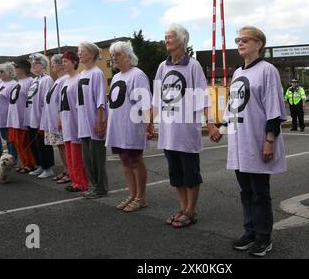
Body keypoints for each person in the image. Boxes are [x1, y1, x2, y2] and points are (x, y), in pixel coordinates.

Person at [216, 26, 286, 257]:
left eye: (245, 39)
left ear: (259, 44)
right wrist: (222, 128)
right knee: (245, 191)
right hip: (239, 142)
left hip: (257, 140)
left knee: (259, 192)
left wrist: (269, 140)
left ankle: (264, 237)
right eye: (238, 40)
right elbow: (233, 108)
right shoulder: (237, 73)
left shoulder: (268, 71)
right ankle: (250, 232)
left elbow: (274, 109)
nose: (240, 43)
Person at [150, 24, 219, 228]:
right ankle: (182, 207)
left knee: (190, 173)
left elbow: (203, 96)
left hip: (186, 130)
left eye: (170, 37)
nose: (166, 40)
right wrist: (148, 121)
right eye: (166, 37)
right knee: (175, 174)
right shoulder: (163, 67)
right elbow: (156, 97)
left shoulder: (193, 66)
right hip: (168, 129)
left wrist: (211, 123)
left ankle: (191, 210)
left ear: (181, 40)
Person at [106, 41, 151, 212]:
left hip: (132, 125)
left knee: (135, 160)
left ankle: (141, 197)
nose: (114, 58)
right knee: (124, 160)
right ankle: (132, 194)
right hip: (117, 126)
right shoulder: (117, 77)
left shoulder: (137, 75)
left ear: (128, 56)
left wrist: (148, 124)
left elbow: (145, 101)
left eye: (118, 55)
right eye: (112, 55)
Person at [77, 42, 108, 199]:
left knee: (96, 156)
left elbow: (101, 99)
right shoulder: (82, 74)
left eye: (83, 51)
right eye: (79, 51)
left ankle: (100, 187)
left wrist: (100, 121)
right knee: (87, 157)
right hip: (83, 122)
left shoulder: (97, 73)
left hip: (93, 121)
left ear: (91, 54)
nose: (80, 53)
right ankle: (93, 184)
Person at [59, 51, 90, 193]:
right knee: (70, 155)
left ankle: (82, 182)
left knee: (77, 155)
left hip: (75, 120)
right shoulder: (64, 81)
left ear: (74, 62)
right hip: (66, 120)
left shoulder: (79, 79)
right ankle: (74, 180)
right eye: (62, 61)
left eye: (66, 61)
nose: (63, 64)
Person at [25, 53, 56, 178]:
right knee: (35, 144)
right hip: (32, 116)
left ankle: (48, 167)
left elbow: (47, 101)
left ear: (43, 65)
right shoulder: (35, 80)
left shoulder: (47, 80)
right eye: (32, 63)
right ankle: (40, 165)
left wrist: (44, 120)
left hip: (41, 117)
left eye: (36, 63)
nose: (33, 65)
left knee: (43, 144)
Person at [40, 54, 69, 182]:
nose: (52, 66)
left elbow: (63, 101)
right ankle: (65, 169)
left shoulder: (65, 79)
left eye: (54, 63)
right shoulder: (57, 80)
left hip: (60, 119)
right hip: (53, 119)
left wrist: (60, 118)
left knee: (64, 146)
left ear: (61, 65)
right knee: (60, 146)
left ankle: (69, 171)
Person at [7, 60, 37, 174]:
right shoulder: (18, 82)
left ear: (24, 69)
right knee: (17, 143)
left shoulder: (30, 81)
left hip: (23, 117)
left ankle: (31, 163)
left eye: (17, 67)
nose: (15, 69)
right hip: (14, 117)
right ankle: (24, 162)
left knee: (24, 143)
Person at [0, 62, 18, 163]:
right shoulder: (2, 84)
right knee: (6, 138)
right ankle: (10, 158)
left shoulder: (13, 85)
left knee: (11, 139)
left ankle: (13, 158)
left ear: (9, 72)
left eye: (1, 71)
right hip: (0, 117)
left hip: (8, 117)